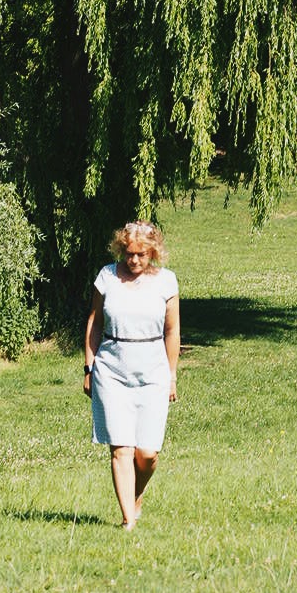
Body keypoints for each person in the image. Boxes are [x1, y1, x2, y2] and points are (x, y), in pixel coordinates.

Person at [84, 219, 180, 529]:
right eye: (128, 254)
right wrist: (89, 366)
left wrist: (172, 375)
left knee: (147, 454)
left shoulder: (166, 282)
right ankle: (128, 520)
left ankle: (135, 495)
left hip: (153, 372)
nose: (134, 260)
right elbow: (95, 323)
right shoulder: (107, 277)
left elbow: (172, 331)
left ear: (153, 252)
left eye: (141, 254)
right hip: (111, 370)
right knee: (121, 448)